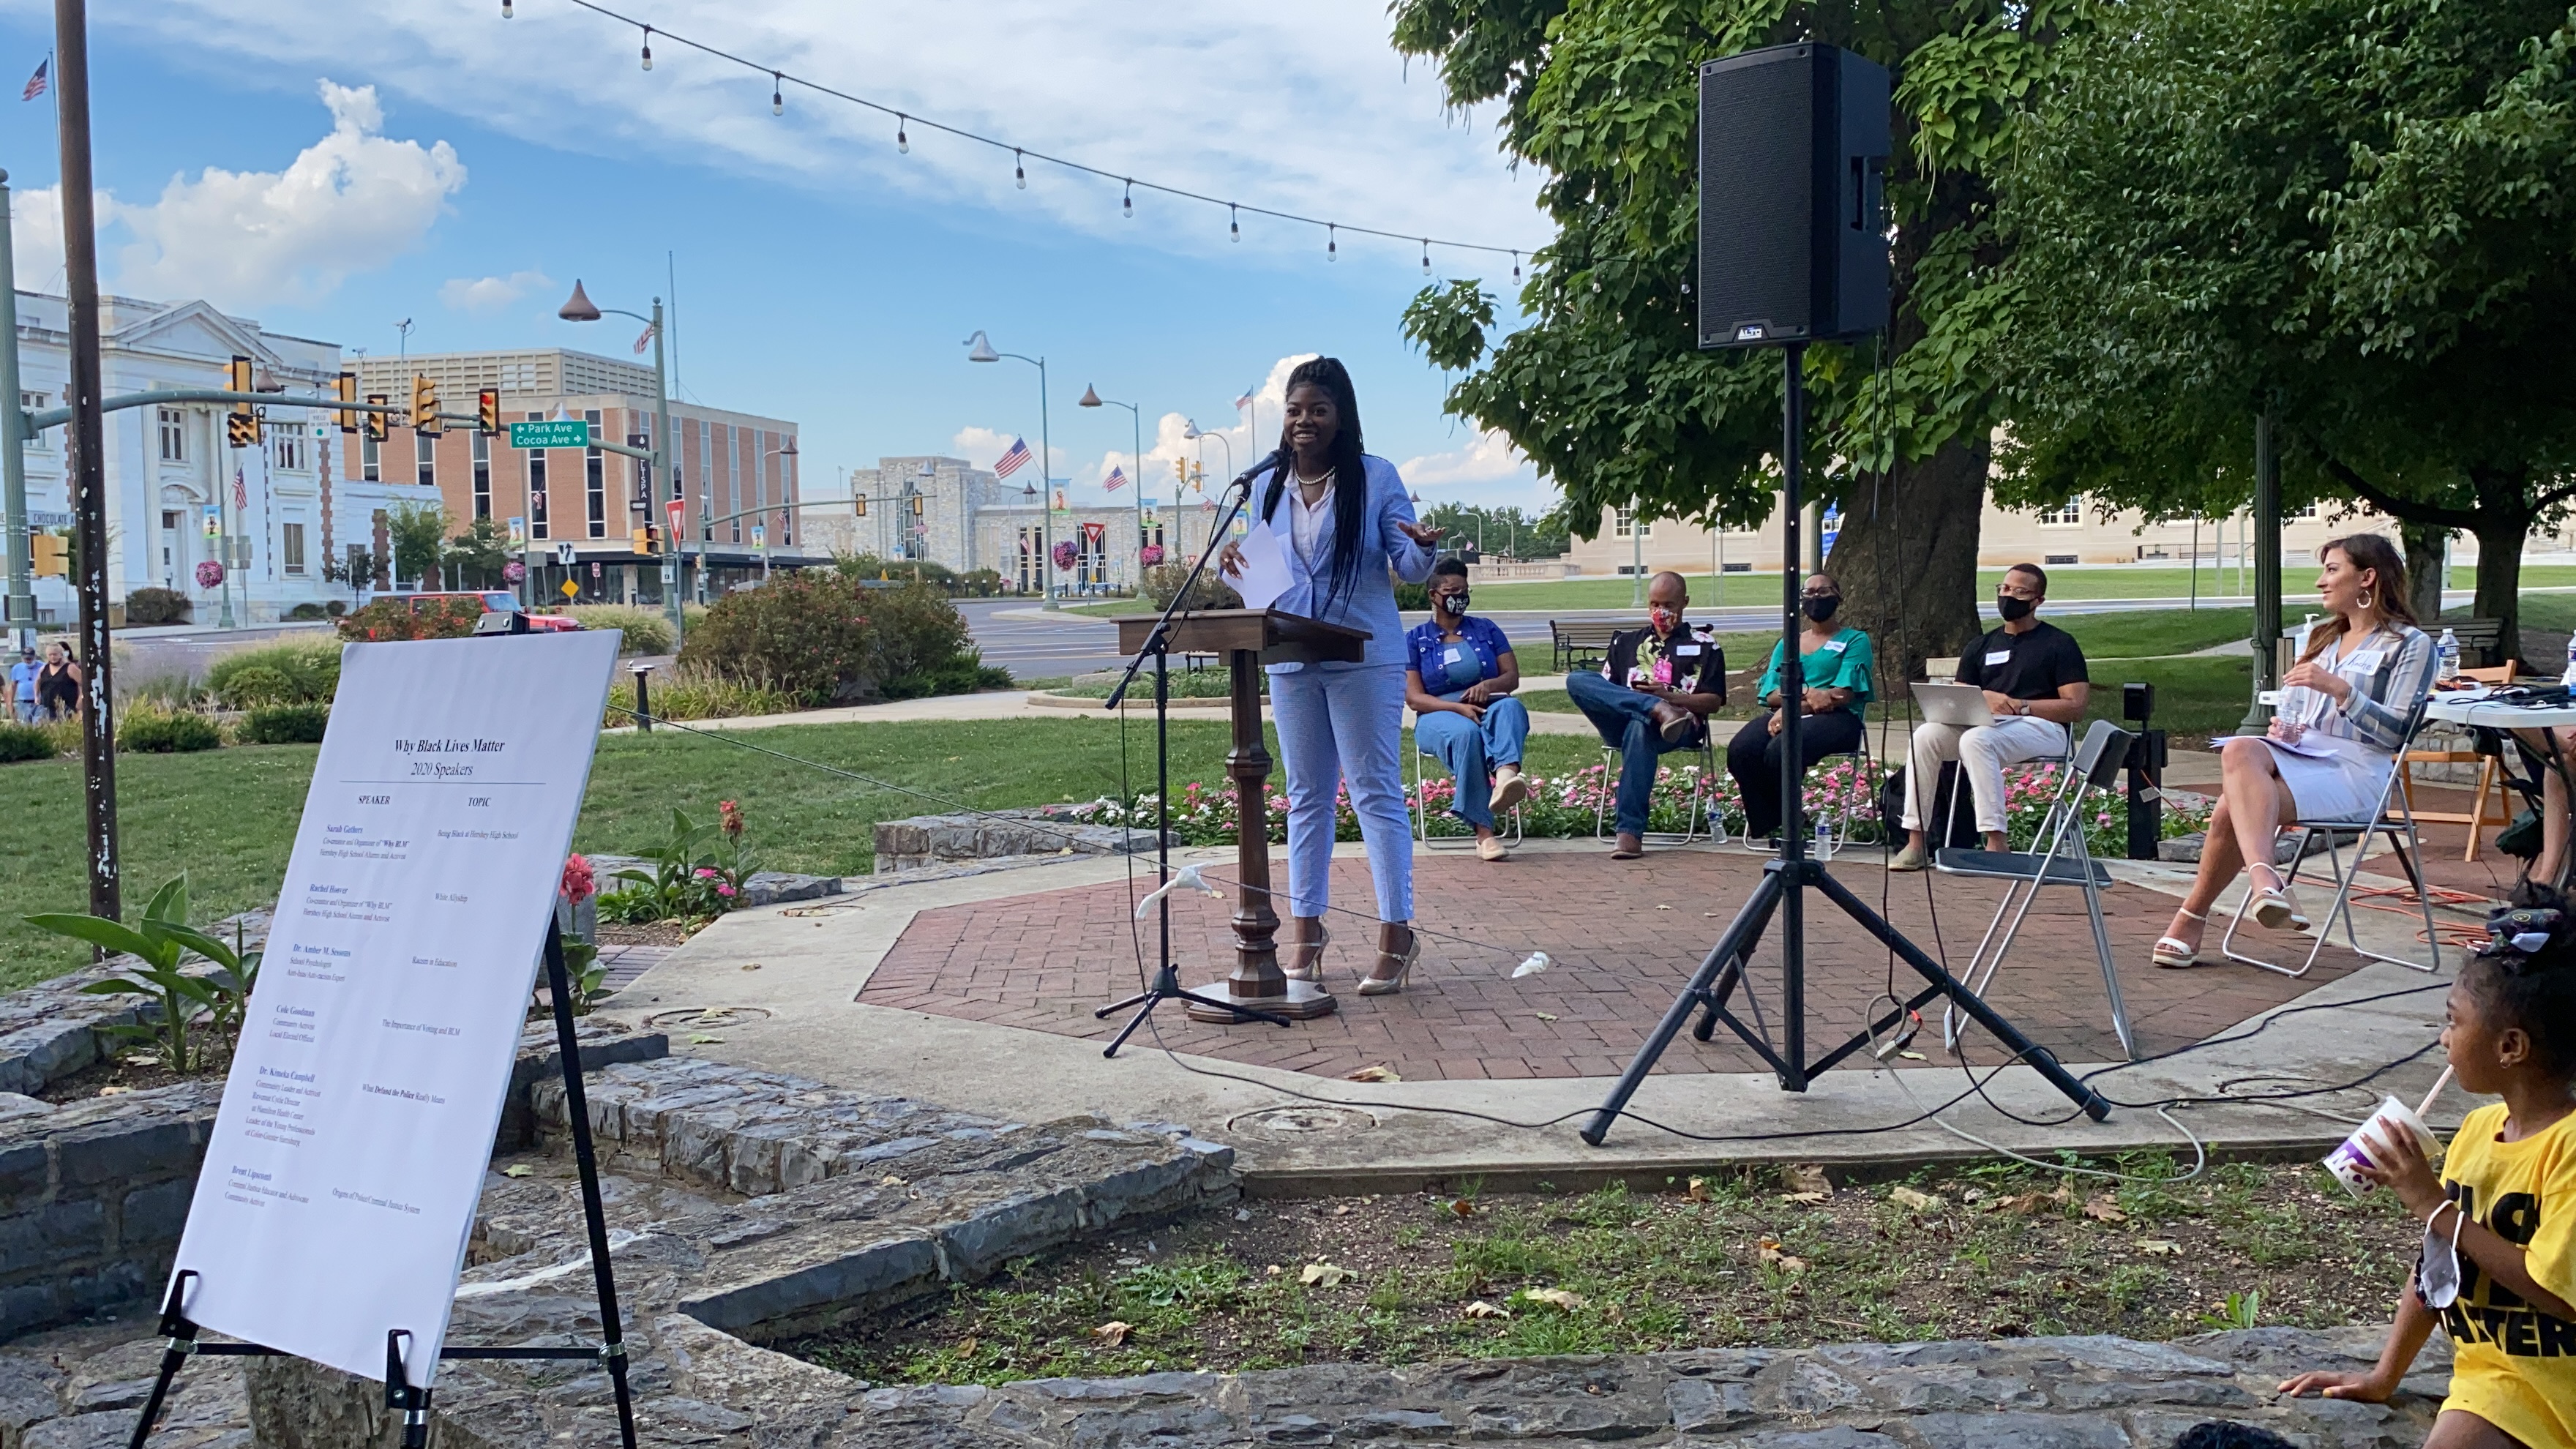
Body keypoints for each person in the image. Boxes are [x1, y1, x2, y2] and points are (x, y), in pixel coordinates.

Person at [2277, 894, 2575, 1449]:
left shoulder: (2569, 1149)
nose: (2443, 1038)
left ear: (2510, 1046)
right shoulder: (2476, 1133)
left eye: (2453, 1022)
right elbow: (2437, 1273)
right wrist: (2383, 1375)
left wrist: (2433, 1206)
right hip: (2499, 1386)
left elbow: (2560, 1293)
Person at [1218, 357, 1441, 995]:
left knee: (1374, 792)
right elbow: (1267, 577)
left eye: (1318, 409)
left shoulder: (1375, 478)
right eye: (1294, 410)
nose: (1304, 421)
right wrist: (1237, 566)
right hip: (1291, 656)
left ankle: (1397, 935)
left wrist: (1422, 545)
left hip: (1362, 656)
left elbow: (1409, 565)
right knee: (1305, 796)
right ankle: (1306, 934)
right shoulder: (1269, 486)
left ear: (1340, 415)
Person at [2150, 536, 2435, 967]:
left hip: (2357, 770)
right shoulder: (2323, 638)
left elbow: (2395, 735)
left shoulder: (2408, 645)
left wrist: (2339, 690)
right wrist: (2285, 731)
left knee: (2233, 806)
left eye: (2332, 570)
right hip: (2303, 758)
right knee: (2243, 748)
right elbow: (2297, 713)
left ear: (2367, 577)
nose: (2321, 582)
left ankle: (2195, 916)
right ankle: (2266, 880)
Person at [1891, 564, 2090, 869]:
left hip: (2042, 727)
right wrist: (1984, 699)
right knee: (1925, 736)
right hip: (1988, 723)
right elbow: (1958, 698)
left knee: (1976, 740)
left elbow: (2075, 705)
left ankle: (1996, 842)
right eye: (2004, 589)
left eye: (2020, 591)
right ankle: (1916, 840)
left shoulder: (2059, 644)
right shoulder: (1981, 645)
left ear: (2038, 600)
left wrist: (2020, 705)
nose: (2008, 596)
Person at [1565, 571, 1726, 859]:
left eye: (1669, 605)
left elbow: (1714, 701)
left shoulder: (1704, 645)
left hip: (1680, 727)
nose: (1660, 612)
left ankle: (1629, 833)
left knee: (1640, 728)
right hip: (1620, 721)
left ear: (1685, 602)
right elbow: (1606, 690)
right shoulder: (1626, 643)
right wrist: (1648, 702)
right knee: (1577, 679)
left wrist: (1669, 697)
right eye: (1654, 604)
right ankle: (1654, 709)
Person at [1729, 572, 1873, 847]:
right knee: (1741, 749)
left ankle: (1791, 825)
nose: (1815, 598)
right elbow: (1771, 693)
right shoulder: (1788, 643)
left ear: (1838, 598)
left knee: (1781, 749)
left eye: (1823, 592)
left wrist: (1792, 706)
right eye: (1809, 593)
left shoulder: (1855, 640)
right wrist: (1804, 695)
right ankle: (1776, 822)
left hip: (1840, 720)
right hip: (1787, 712)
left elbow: (1842, 695)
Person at [1404, 557, 1531, 861]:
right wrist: (1457, 708)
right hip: (1437, 713)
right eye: (1450, 590)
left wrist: (1488, 686)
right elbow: (1414, 698)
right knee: (1467, 736)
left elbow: (1511, 678)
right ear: (1433, 595)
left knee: (1512, 707)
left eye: (1463, 590)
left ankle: (1504, 778)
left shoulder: (1486, 629)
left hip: (1490, 702)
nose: (1458, 597)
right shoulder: (1415, 639)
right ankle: (1484, 834)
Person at [34, 641, 79, 722]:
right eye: (50, 655)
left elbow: (83, 684)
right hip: (47, 708)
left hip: (66, 708)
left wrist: (80, 700)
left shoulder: (70, 668)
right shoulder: (44, 669)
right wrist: (36, 696)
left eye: (55, 654)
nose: (52, 657)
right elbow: (37, 682)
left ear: (61, 654)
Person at [7, 647, 37, 724]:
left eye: (30, 658)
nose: (28, 660)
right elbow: (13, 686)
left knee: (39, 725)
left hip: (39, 702)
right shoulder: (16, 668)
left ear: (34, 657)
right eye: (26, 658)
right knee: (25, 726)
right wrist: (10, 702)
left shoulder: (43, 666)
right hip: (23, 703)